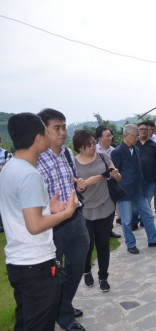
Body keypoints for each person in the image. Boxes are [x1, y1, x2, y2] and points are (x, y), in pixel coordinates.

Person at [0, 113, 78, 331]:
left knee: (26, 322)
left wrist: (48, 207)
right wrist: (66, 212)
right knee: (39, 325)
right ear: (38, 138)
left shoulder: (10, 168)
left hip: (19, 262)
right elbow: (34, 226)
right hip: (35, 264)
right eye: (46, 131)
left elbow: (20, 210)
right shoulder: (29, 175)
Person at [37, 108, 89, 331]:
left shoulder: (67, 154)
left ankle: (62, 304)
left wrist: (77, 185)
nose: (62, 132)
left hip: (76, 218)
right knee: (54, 272)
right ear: (44, 131)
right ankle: (64, 315)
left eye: (64, 126)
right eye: (56, 128)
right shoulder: (36, 160)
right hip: (52, 225)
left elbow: (71, 182)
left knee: (78, 265)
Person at [73, 130, 121, 293]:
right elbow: (73, 186)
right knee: (87, 244)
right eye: (89, 144)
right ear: (80, 147)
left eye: (94, 142)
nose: (93, 146)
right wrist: (81, 183)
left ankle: (103, 277)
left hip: (105, 207)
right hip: (85, 210)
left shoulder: (103, 157)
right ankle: (87, 271)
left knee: (103, 244)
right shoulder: (74, 163)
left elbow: (117, 176)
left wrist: (115, 174)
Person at [111, 124, 156, 254]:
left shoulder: (136, 149)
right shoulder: (117, 152)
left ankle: (153, 239)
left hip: (139, 191)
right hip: (125, 192)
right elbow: (115, 174)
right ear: (126, 135)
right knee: (126, 221)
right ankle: (130, 244)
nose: (137, 137)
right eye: (135, 135)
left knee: (148, 215)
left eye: (138, 135)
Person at [130, 122, 156, 230]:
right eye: (141, 129)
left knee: (147, 201)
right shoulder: (133, 144)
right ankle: (134, 221)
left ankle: (144, 220)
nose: (143, 131)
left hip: (150, 178)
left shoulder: (153, 145)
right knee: (136, 202)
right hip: (137, 179)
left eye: (145, 129)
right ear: (137, 130)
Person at [95, 126, 122, 239]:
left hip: (111, 183)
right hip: (97, 183)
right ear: (100, 138)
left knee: (111, 206)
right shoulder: (94, 149)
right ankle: (97, 231)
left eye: (111, 135)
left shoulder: (114, 150)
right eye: (107, 136)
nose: (110, 138)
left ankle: (109, 229)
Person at [0, 134, 13, 232]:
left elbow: (10, 169)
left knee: (5, 206)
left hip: (4, 185)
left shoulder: (6, 154)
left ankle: (5, 225)